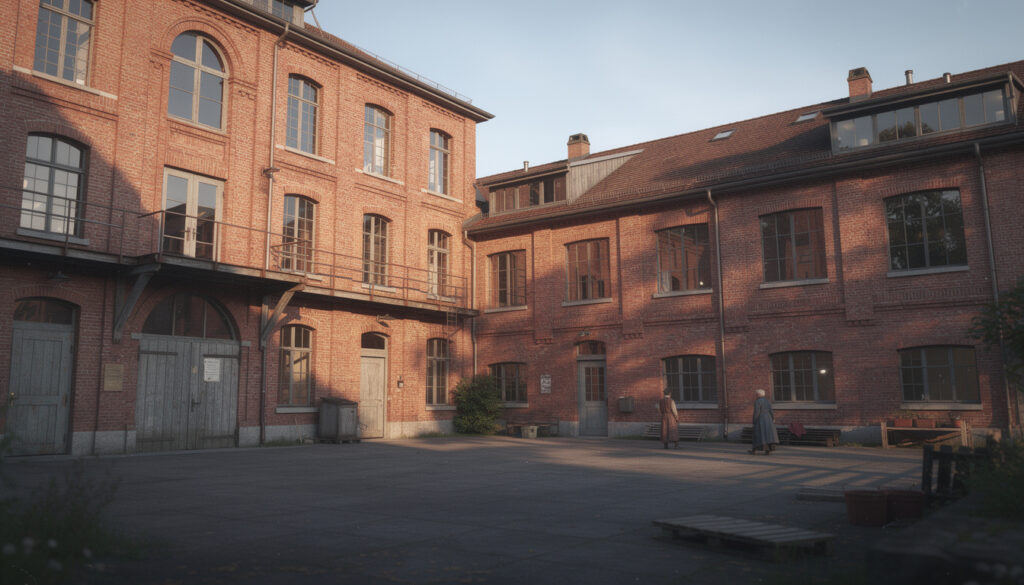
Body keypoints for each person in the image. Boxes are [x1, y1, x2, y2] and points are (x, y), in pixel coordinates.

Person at [750, 389, 779, 455]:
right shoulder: (768, 401)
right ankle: (767, 450)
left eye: (756, 394)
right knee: (768, 434)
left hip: (761, 418)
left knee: (758, 434)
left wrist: (754, 421)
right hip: (768, 419)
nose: (756, 395)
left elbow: (756, 412)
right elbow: (771, 411)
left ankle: (754, 450)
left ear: (758, 394)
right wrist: (773, 418)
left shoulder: (757, 401)